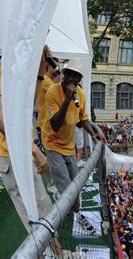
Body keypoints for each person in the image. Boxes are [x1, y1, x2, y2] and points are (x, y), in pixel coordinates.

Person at [0, 46, 61, 253]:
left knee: (42, 216)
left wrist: (41, 69)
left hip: (19, 154)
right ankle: (58, 255)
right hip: (13, 156)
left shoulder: (26, 65)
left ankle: (56, 254)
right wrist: (33, 149)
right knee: (39, 217)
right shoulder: (11, 63)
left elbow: (25, 109)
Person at [41, 57, 106, 231]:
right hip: (52, 144)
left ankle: (71, 207)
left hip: (68, 146)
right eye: (69, 75)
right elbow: (55, 124)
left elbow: (83, 119)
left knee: (76, 183)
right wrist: (67, 100)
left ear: (78, 80)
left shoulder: (81, 95)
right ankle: (76, 214)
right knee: (66, 184)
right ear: (63, 75)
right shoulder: (53, 92)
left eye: (75, 77)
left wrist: (94, 133)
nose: (71, 79)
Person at [36, 52, 61, 195]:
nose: (58, 68)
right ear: (49, 67)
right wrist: (61, 75)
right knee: (49, 156)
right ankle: (51, 183)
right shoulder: (46, 82)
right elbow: (60, 92)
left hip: (48, 124)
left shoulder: (49, 81)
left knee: (52, 155)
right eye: (55, 66)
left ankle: (53, 182)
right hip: (45, 125)